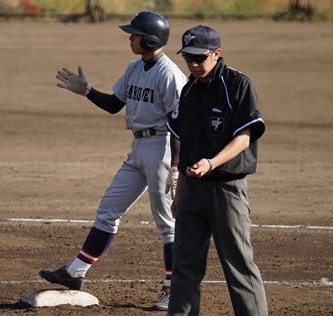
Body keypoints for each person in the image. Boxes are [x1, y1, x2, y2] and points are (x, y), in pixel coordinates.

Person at [39, 11, 187, 310]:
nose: (130, 38)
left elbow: (179, 124)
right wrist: (88, 92)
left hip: (163, 147)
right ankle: (74, 273)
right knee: (108, 209)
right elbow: (114, 105)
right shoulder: (134, 68)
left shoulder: (170, 74)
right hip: (139, 147)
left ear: (149, 39)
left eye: (134, 34)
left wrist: (175, 167)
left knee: (167, 223)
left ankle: (174, 289)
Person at [166, 25, 268, 315]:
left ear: (217, 53)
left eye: (200, 58)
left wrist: (212, 162)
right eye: (188, 58)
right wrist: (180, 191)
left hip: (226, 190)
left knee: (238, 264)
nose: (194, 65)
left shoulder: (237, 85)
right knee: (184, 263)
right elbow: (184, 141)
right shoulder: (188, 90)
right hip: (192, 192)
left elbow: (244, 137)